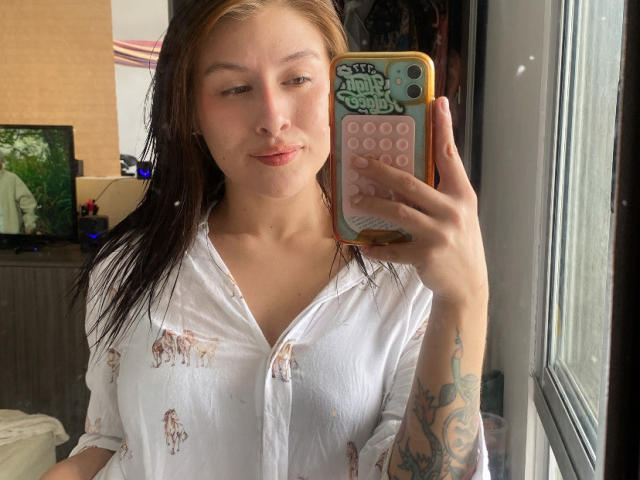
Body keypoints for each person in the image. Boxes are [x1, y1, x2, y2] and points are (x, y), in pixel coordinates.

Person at [43, 0, 490, 478]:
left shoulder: (412, 273)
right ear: (190, 109)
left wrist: (466, 296)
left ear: (337, 89)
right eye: (235, 88)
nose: (272, 119)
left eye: (297, 79)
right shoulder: (128, 268)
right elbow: (111, 440)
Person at [0, 150, 37, 234]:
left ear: (1, 160)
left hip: (8, 233)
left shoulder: (11, 179)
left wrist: (29, 224)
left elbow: (28, 203)